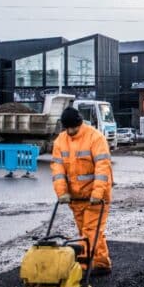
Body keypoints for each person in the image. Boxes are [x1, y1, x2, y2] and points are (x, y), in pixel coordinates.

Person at [51, 107, 114, 275]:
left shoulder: (95, 138)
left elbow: (103, 169)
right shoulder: (60, 141)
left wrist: (97, 194)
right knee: (86, 231)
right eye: (68, 128)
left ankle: (83, 267)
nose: (71, 131)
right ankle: (101, 263)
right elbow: (58, 170)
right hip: (76, 198)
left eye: (74, 128)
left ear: (80, 124)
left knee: (90, 231)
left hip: (96, 197)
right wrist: (62, 193)